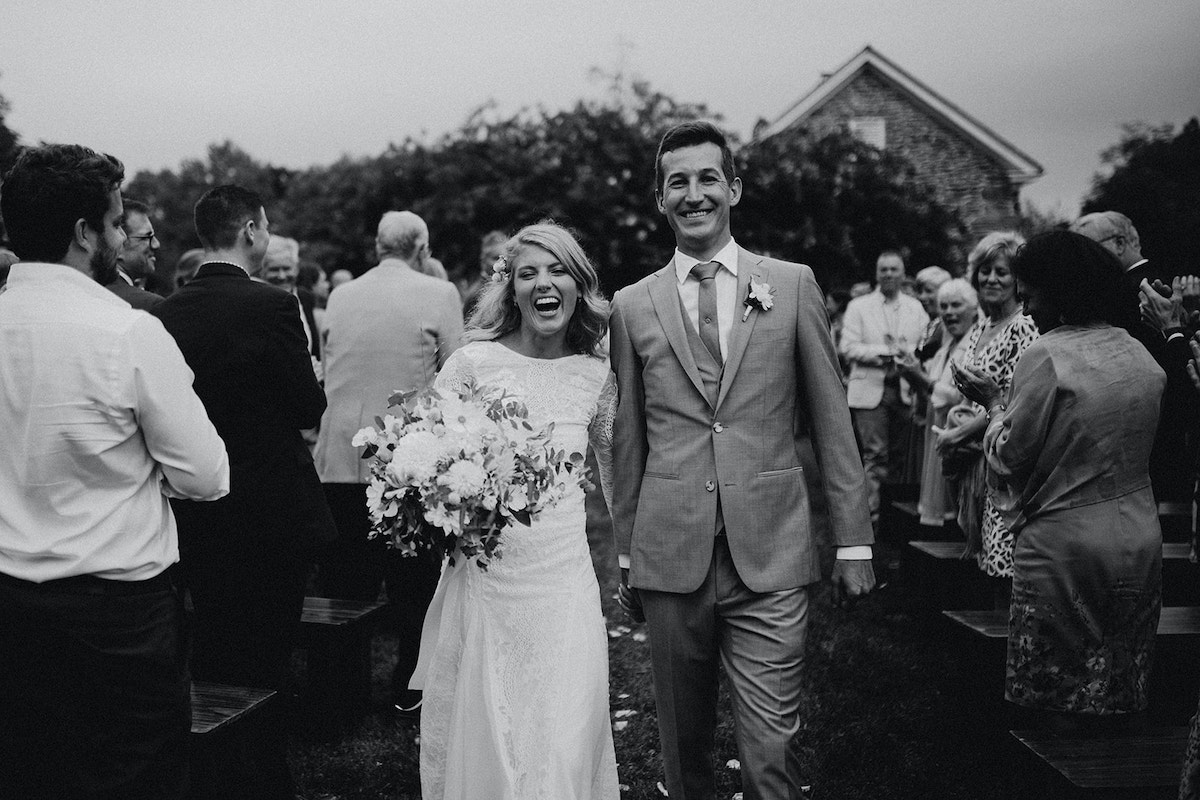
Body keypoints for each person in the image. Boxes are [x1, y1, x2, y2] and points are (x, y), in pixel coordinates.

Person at [609, 121, 874, 799]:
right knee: (683, 752)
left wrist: (853, 541)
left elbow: (831, 419)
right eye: (678, 181)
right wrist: (626, 553)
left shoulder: (791, 284)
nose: (694, 193)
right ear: (660, 199)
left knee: (770, 751)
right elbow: (629, 438)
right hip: (671, 552)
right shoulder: (632, 305)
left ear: (733, 187)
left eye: (707, 178)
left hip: (773, 547)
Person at [0, 143, 229, 799]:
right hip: (117, 621)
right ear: (84, 232)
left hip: (9, 607)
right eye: (115, 217)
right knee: (132, 780)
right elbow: (206, 476)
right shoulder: (126, 332)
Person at [411, 221, 618, 799]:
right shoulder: (472, 365)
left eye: (557, 272)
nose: (543, 284)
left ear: (579, 286)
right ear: (510, 288)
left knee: (567, 729)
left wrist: (630, 560)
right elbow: (427, 450)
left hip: (564, 577)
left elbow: (615, 474)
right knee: (493, 726)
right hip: (488, 578)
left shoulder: (597, 375)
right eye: (528, 273)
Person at [151, 185, 334, 799]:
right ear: (252, 230)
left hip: (197, 512)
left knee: (213, 645)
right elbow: (308, 404)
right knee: (269, 652)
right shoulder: (274, 306)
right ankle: (261, 773)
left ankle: (219, 772)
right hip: (272, 508)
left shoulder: (163, 314)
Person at [954, 229, 1163, 731]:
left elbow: (1008, 459)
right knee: (1119, 692)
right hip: (1138, 537)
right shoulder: (1140, 353)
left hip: (1064, 549)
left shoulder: (1045, 355)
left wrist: (993, 404)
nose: (1026, 312)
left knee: (1053, 705)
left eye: (1030, 297)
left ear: (1061, 290)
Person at [314, 210, 464, 716]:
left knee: (344, 584)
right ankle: (410, 686)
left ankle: (338, 693)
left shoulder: (340, 295)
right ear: (421, 249)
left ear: (378, 247)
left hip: (339, 458)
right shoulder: (438, 293)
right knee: (413, 583)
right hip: (406, 463)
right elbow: (457, 377)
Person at [1074, 211, 1197, 539]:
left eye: (1085, 248)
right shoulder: (1145, 283)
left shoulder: (1133, 292)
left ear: (1118, 244)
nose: (1079, 261)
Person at [935, 231, 1037, 583]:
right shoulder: (982, 325)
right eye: (984, 270)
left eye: (1002, 271)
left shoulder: (1023, 326)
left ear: (1017, 279)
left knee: (1004, 559)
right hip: (977, 460)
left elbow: (1015, 399)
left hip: (1005, 458)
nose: (991, 279)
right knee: (984, 555)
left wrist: (959, 433)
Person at [840, 250, 930, 525]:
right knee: (875, 455)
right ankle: (871, 517)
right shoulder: (859, 306)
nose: (889, 274)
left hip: (904, 389)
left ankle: (894, 517)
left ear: (903, 275)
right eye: (884, 270)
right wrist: (886, 352)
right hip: (870, 390)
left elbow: (925, 346)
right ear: (876, 274)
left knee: (901, 458)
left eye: (894, 269)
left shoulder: (915, 308)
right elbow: (848, 347)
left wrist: (908, 354)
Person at [897, 278, 978, 527]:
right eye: (944, 306)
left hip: (962, 436)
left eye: (956, 306)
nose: (949, 313)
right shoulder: (946, 346)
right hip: (937, 430)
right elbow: (932, 396)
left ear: (973, 309)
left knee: (958, 509)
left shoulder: (975, 345)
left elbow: (962, 397)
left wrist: (922, 379)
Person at [104, 197, 163, 310]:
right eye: (146, 237)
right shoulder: (148, 304)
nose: (156, 244)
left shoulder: (81, 295)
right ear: (118, 244)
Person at [460, 229, 508, 318]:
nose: (501, 263)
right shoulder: (477, 294)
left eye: (504, 258)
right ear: (483, 261)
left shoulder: (506, 287)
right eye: (495, 258)